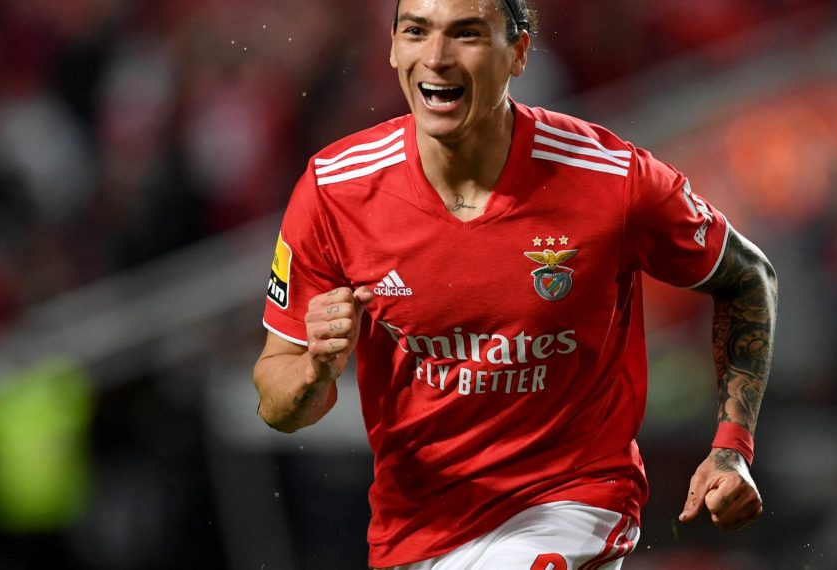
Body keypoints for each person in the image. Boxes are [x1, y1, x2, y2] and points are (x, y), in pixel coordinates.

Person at [253, 0, 778, 568]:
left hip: (573, 506)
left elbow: (748, 277)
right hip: (416, 533)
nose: (436, 58)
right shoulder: (334, 191)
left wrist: (732, 447)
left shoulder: (610, 180)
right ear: (392, 47)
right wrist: (313, 372)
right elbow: (276, 401)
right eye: (416, 32)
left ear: (519, 52)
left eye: (467, 34)